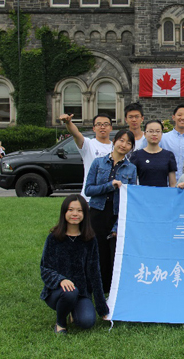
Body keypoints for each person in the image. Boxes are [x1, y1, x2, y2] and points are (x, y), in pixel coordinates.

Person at [40, 194, 109, 335]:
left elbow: (95, 273)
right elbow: (45, 268)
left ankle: (73, 311)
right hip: (57, 292)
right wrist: (61, 280)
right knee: (70, 292)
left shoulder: (90, 240)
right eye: (71, 210)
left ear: (85, 214)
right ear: (64, 212)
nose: (75, 214)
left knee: (87, 321)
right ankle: (60, 323)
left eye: (79, 210)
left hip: (82, 293)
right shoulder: (54, 238)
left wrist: (102, 308)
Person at [84, 130, 137, 293]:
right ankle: (93, 287)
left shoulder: (131, 168)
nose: (124, 145)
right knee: (96, 251)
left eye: (128, 143)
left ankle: (110, 290)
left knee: (113, 254)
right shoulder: (98, 163)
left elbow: (130, 198)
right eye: (121, 140)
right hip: (97, 212)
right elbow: (88, 190)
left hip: (116, 214)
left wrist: (117, 226)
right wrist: (110, 186)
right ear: (114, 141)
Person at [59, 113, 113, 201]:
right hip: (89, 198)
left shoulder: (116, 147)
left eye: (106, 124)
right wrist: (68, 123)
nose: (102, 127)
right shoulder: (88, 144)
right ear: (94, 128)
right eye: (99, 124)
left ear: (111, 128)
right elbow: (76, 134)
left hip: (109, 197)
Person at [130, 120, 177, 187]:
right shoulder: (136, 155)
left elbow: (173, 183)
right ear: (145, 134)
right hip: (143, 193)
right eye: (151, 131)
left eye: (157, 131)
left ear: (161, 134)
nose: (154, 134)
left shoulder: (168, 155)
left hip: (163, 192)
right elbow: (132, 182)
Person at [160, 104, 184, 180]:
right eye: (179, 115)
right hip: (167, 182)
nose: (182, 118)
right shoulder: (163, 138)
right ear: (173, 117)